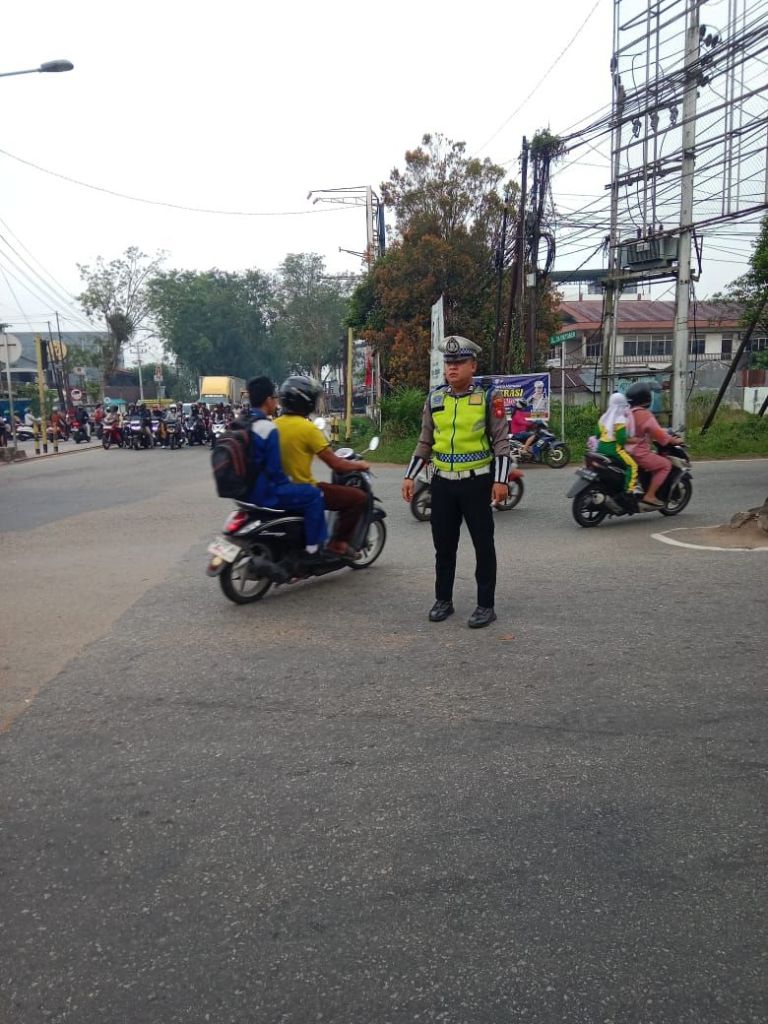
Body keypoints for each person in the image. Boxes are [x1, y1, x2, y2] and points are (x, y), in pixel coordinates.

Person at [401, 336, 510, 629]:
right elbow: (425, 441)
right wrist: (410, 475)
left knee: (483, 546)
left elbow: (501, 442)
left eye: (459, 362)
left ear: (473, 366)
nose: (452, 367)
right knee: (444, 546)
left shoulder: (489, 397)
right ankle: (443, 600)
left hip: (477, 483)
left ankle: (485, 605)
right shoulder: (435, 399)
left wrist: (501, 481)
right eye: (449, 362)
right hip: (442, 485)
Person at [274, 375, 370, 558]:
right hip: (304, 490)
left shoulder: (273, 425)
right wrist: (360, 465)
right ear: (306, 401)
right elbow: (336, 464)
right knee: (358, 498)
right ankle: (338, 544)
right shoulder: (308, 429)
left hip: (278, 490)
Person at [245, 377, 331, 566]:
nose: (276, 402)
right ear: (268, 400)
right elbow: (275, 471)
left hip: (244, 491)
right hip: (265, 492)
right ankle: (313, 549)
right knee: (314, 495)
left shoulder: (244, 423)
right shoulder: (269, 428)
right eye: (274, 398)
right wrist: (290, 483)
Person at [625, 381, 680, 508]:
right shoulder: (645, 415)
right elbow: (660, 435)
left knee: (654, 455)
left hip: (626, 450)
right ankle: (650, 496)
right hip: (639, 453)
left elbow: (650, 431)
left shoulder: (627, 412)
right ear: (646, 398)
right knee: (665, 465)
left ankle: (642, 486)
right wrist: (674, 440)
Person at [596, 392, 639, 494]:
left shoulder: (603, 418)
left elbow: (597, 434)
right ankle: (629, 490)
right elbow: (621, 440)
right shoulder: (620, 419)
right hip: (614, 449)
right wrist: (632, 440)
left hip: (600, 448)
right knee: (633, 466)